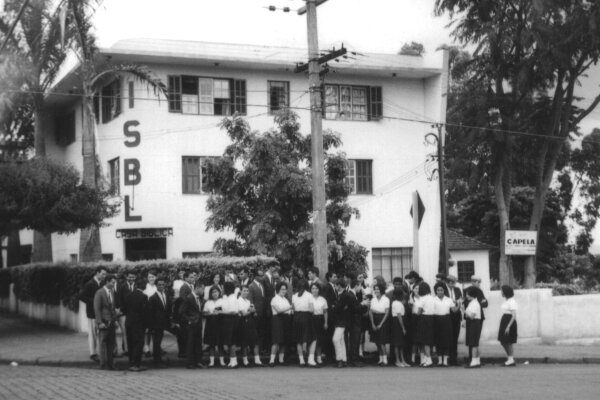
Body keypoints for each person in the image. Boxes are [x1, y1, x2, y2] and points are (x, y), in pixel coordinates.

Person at [78, 266, 106, 363]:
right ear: (97, 273)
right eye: (103, 274)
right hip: (92, 312)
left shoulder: (102, 283)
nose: (104, 276)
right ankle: (93, 353)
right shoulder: (90, 284)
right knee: (93, 333)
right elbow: (81, 296)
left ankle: (100, 352)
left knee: (99, 333)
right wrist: (93, 302)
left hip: (100, 313)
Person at [179, 283, 207, 369]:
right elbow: (181, 312)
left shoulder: (199, 299)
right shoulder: (189, 298)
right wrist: (189, 321)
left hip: (198, 324)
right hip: (191, 325)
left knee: (198, 343)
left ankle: (198, 361)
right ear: (197, 288)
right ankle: (190, 362)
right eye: (202, 289)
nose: (203, 291)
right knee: (190, 343)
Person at [93, 274, 118, 370]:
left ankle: (111, 364)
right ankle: (103, 364)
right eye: (112, 282)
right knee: (102, 343)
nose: (113, 284)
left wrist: (115, 320)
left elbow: (113, 308)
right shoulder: (99, 293)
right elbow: (97, 309)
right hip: (104, 322)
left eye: (114, 282)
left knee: (111, 344)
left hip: (111, 322)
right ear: (107, 282)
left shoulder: (111, 292)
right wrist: (99, 322)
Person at [125, 278, 149, 372]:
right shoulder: (143, 297)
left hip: (128, 322)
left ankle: (131, 362)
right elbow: (145, 312)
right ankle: (136, 364)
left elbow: (125, 308)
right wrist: (146, 325)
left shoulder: (129, 295)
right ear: (144, 286)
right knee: (139, 343)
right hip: (138, 323)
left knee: (130, 342)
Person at [148, 277, 172, 368]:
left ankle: (159, 359)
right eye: (159, 285)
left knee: (159, 342)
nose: (161, 286)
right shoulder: (152, 298)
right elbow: (150, 313)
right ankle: (156, 361)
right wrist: (152, 326)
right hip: (156, 324)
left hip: (164, 323)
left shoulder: (166, 295)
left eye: (163, 284)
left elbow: (168, 309)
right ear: (156, 286)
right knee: (156, 343)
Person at [464, 275, 488, 363]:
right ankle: (472, 358)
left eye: (479, 282)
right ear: (473, 282)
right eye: (478, 282)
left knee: (475, 339)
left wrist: (478, 305)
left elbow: (486, 303)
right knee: (471, 339)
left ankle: (475, 359)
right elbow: (466, 303)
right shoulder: (468, 291)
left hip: (476, 316)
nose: (479, 284)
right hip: (470, 315)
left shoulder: (479, 291)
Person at [269, 282, 293, 367]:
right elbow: (278, 310)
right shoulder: (274, 299)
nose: (284, 291)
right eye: (282, 289)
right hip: (277, 319)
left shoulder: (286, 300)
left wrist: (290, 310)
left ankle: (281, 360)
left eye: (285, 289)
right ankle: (271, 360)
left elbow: (289, 311)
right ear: (278, 289)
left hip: (285, 319)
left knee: (284, 341)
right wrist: (290, 307)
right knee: (276, 340)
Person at [237, 285, 262, 367]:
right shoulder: (238, 301)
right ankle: (245, 361)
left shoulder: (248, 301)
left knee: (255, 340)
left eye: (247, 291)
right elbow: (243, 313)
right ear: (240, 291)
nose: (246, 292)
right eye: (244, 290)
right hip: (242, 322)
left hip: (251, 321)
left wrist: (254, 311)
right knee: (244, 342)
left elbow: (254, 314)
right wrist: (251, 311)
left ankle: (257, 360)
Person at [433, 283, 457, 367]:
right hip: (436, 320)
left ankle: (445, 360)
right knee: (438, 340)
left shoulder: (448, 299)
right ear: (436, 291)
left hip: (446, 320)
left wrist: (459, 305)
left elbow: (454, 310)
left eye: (441, 290)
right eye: (438, 290)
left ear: (444, 291)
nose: (440, 292)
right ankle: (439, 360)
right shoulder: (433, 299)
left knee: (446, 340)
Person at [292, 279, 313, 366]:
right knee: (306, 335)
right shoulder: (309, 295)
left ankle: (301, 360)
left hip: (296, 316)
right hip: (306, 316)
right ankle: (305, 347)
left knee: (298, 339)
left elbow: (293, 308)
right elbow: (311, 309)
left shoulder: (294, 295)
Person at [115, 271, 136, 357]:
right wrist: (121, 311)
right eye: (129, 277)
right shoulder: (122, 286)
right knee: (125, 331)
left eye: (133, 277)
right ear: (127, 277)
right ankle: (127, 349)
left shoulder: (138, 286)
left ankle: (134, 348)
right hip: (125, 313)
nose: (131, 278)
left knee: (134, 331)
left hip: (135, 313)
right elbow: (119, 299)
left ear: (135, 277)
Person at [369, 282, 391, 366]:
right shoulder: (373, 300)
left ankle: (385, 360)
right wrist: (373, 324)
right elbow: (371, 312)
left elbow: (386, 313)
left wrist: (381, 324)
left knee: (382, 341)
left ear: (381, 290)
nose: (376, 291)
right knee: (377, 341)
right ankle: (380, 358)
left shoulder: (386, 299)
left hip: (383, 321)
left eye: (377, 289)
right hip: (374, 320)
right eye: (375, 289)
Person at [414, 282, 435, 367]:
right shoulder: (432, 298)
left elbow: (418, 312)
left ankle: (429, 360)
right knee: (429, 340)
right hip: (432, 319)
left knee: (425, 341)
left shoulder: (422, 299)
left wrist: (419, 311)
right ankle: (426, 359)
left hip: (424, 319)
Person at [220, 281, 240, 368]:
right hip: (227, 320)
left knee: (232, 340)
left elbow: (232, 311)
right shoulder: (226, 297)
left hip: (231, 320)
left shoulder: (232, 298)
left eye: (223, 288)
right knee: (229, 340)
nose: (222, 289)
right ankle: (232, 360)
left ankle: (234, 360)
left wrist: (221, 312)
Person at [203, 286, 224, 367]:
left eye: (216, 292)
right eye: (213, 292)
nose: (214, 294)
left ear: (219, 292)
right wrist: (210, 313)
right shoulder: (208, 302)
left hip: (220, 323)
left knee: (220, 343)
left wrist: (220, 312)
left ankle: (222, 361)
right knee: (211, 344)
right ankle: (211, 361)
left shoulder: (222, 301)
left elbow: (226, 310)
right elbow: (204, 313)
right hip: (210, 323)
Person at [308, 282, 328, 367]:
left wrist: (326, 322)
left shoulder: (322, 299)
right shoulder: (309, 298)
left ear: (319, 289)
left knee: (320, 340)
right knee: (313, 339)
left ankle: (319, 357)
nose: (314, 290)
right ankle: (311, 358)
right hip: (311, 319)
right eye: (312, 288)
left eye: (316, 288)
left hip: (320, 319)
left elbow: (325, 312)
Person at [498, 285, 518, 367]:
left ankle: (510, 359)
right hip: (504, 320)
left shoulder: (512, 301)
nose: (501, 292)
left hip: (509, 321)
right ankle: (510, 358)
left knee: (508, 341)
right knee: (503, 341)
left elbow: (513, 315)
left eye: (502, 291)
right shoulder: (506, 301)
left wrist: (508, 326)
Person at [331, 278, 348, 368]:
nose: (335, 286)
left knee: (336, 339)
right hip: (339, 320)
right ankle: (344, 359)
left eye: (336, 285)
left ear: (340, 286)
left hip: (342, 320)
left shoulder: (344, 295)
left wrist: (334, 307)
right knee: (341, 340)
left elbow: (338, 308)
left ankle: (339, 359)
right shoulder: (339, 294)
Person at [446, 275, 463, 365]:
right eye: (451, 283)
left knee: (455, 337)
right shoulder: (444, 290)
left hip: (456, 315)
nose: (453, 284)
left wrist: (457, 302)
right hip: (448, 315)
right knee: (449, 337)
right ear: (447, 283)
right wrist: (454, 302)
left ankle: (454, 358)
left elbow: (460, 300)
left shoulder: (457, 290)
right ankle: (448, 357)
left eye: (454, 283)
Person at [248, 274, 267, 352]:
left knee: (261, 331)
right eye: (260, 276)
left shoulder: (262, 285)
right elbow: (250, 300)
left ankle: (260, 349)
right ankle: (254, 350)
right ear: (255, 276)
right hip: (255, 313)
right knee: (254, 332)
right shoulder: (251, 286)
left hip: (262, 312)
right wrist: (254, 311)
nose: (262, 277)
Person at [390, 288, 409, 367]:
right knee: (397, 343)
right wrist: (403, 328)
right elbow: (399, 316)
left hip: (399, 321)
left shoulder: (398, 303)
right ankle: (397, 360)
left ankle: (403, 360)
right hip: (397, 323)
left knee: (401, 343)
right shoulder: (396, 303)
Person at [321, 271, 338, 362]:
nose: (336, 278)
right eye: (334, 276)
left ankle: (330, 354)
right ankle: (327, 354)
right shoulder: (327, 287)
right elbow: (325, 299)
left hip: (332, 315)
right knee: (328, 334)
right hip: (329, 314)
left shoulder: (333, 287)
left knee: (331, 334)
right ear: (329, 278)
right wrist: (331, 305)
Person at [464, 286, 482, 368]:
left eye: (468, 294)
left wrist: (463, 310)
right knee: (475, 343)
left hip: (474, 323)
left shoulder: (475, 303)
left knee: (473, 343)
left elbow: (471, 316)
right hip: (473, 323)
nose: (466, 296)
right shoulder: (472, 302)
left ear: (472, 295)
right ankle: (477, 360)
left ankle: (474, 361)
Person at [143, 270, 158, 358]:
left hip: (155, 312)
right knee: (147, 331)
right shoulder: (145, 287)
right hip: (147, 311)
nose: (151, 278)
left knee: (155, 331)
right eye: (149, 277)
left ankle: (156, 347)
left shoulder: (157, 287)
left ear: (156, 277)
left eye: (153, 277)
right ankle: (146, 348)